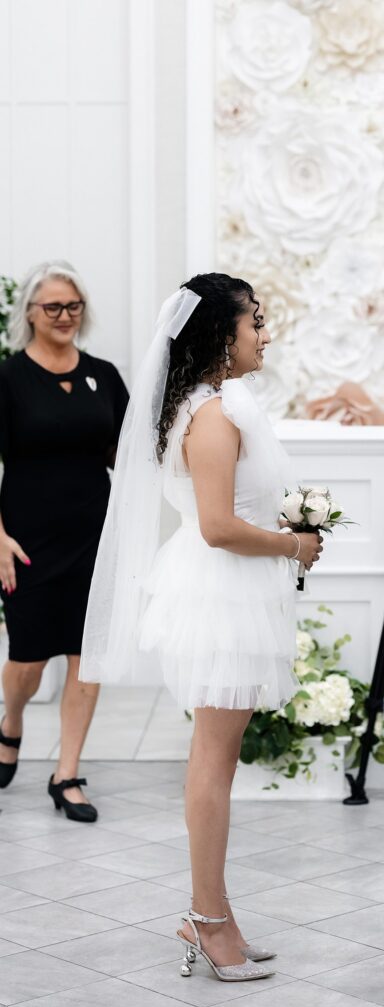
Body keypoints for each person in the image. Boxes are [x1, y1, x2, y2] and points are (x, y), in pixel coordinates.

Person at [80, 273, 322, 983]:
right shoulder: (212, 414)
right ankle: (207, 922)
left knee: (217, 757)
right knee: (213, 764)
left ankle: (215, 912)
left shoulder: (206, 404)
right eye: (256, 322)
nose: (265, 333)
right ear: (223, 335)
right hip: (220, 594)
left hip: (228, 589)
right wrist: (293, 546)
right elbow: (217, 527)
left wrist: (279, 534)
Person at [0, 260, 129, 822]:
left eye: (73, 306)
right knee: (27, 660)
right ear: (29, 312)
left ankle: (67, 773)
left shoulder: (104, 374)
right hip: (25, 539)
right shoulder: (8, 378)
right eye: (52, 306)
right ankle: (10, 722)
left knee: (86, 657)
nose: (64, 316)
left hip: (92, 536)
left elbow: (122, 454)